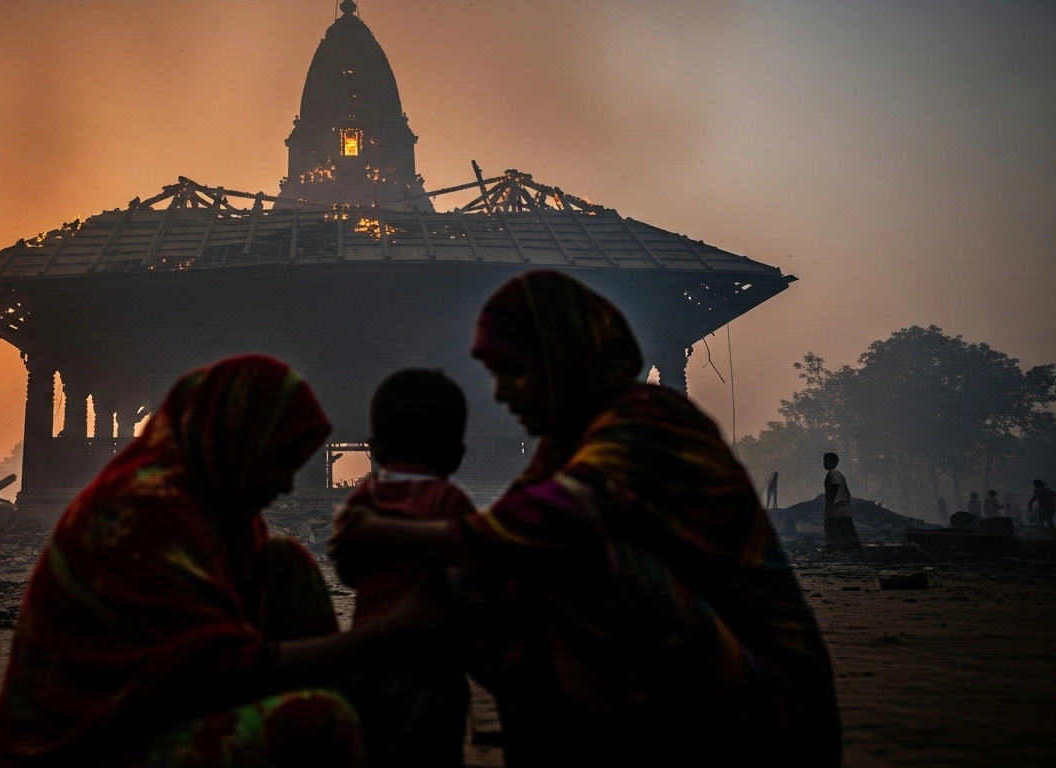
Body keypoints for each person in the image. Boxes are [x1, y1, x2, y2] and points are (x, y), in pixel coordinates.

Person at [331, 271, 840, 765]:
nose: (501, 395)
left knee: (576, 567)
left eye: (514, 372)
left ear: (562, 359)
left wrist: (385, 534)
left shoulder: (650, 418)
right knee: (486, 580)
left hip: (770, 714)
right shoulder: (564, 447)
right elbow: (503, 540)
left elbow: (552, 525)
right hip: (681, 683)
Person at [0, 355, 446, 767]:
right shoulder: (143, 512)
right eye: (280, 462)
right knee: (321, 723)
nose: (289, 485)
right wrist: (391, 633)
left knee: (286, 563)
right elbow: (215, 673)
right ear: (236, 441)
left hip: (159, 709)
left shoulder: (223, 515)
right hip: (87, 741)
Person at [337, 369, 475, 767]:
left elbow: (348, 570)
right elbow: (468, 572)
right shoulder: (449, 502)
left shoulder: (364, 499)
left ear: (375, 449)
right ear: (456, 454)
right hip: (432, 665)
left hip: (367, 656)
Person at [823, 453, 862, 555]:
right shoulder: (838, 474)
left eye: (826, 460)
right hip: (842, 506)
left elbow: (835, 487)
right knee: (846, 527)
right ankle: (854, 548)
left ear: (833, 462)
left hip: (837, 507)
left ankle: (834, 549)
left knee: (834, 527)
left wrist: (830, 505)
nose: (824, 462)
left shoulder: (833, 473)